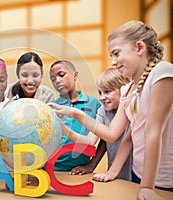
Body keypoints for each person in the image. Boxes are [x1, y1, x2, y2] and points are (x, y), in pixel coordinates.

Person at [49, 20, 173, 199]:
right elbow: (113, 134)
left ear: (139, 47)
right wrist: (73, 112)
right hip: (138, 176)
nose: (113, 62)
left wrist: (147, 186)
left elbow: (153, 130)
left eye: (116, 54)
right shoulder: (128, 90)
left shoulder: (162, 72)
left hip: (161, 181)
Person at [69, 68, 132, 181]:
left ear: (124, 90)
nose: (102, 97)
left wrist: (76, 114)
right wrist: (91, 165)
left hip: (137, 172)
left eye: (107, 91)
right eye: (100, 92)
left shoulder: (133, 109)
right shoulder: (103, 110)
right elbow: (99, 139)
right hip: (116, 174)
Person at [49, 60, 101, 171]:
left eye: (61, 75)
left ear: (75, 75)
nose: (57, 80)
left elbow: (105, 138)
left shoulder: (95, 104)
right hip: (51, 169)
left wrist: (92, 165)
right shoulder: (51, 108)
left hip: (81, 170)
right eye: (53, 79)